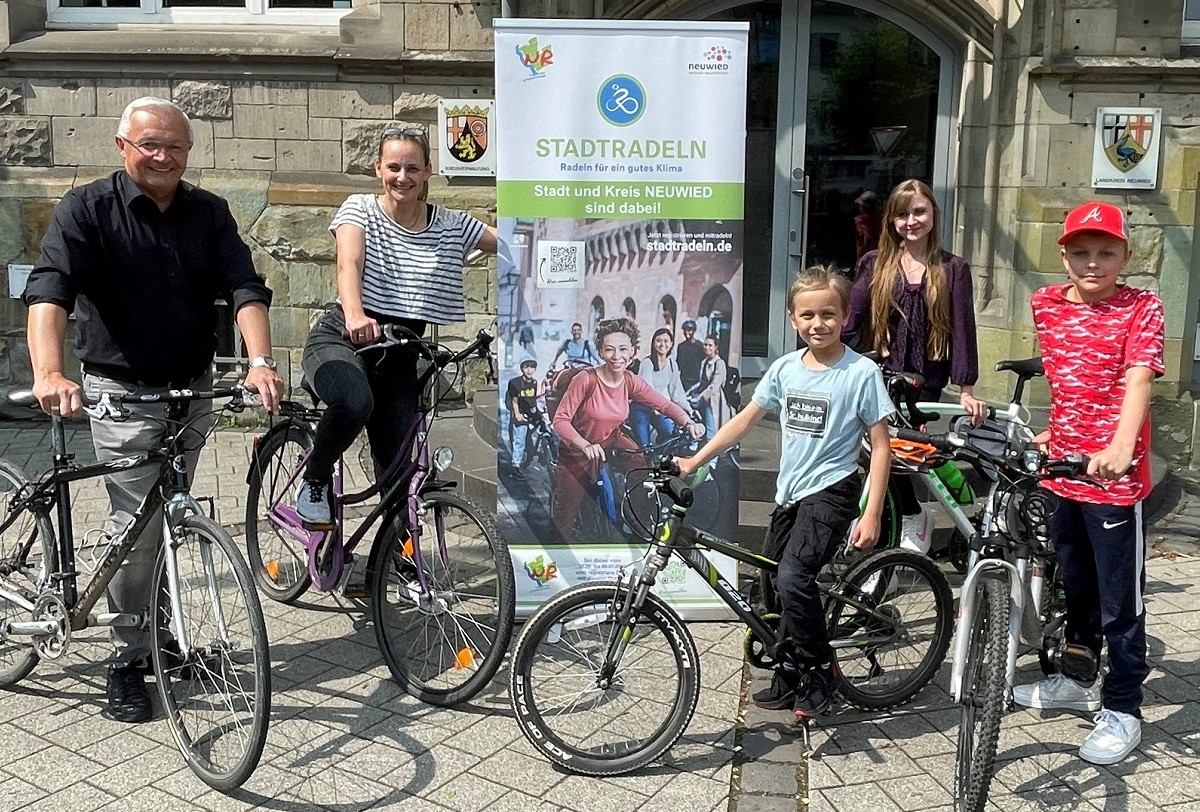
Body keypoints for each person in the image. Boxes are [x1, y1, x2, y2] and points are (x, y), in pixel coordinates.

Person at [23, 97, 283, 724]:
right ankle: (124, 658)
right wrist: (49, 372)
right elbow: (50, 289)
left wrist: (258, 361)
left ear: (188, 152)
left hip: (190, 388)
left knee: (171, 514)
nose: (163, 156)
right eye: (150, 145)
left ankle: (159, 639)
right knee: (135, 527)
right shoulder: (87, 208)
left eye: (175, 146)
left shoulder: (209, 212)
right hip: (121, 388)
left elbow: (244, 287)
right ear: (123, 146)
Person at [678, 265, 893, 719]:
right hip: (790, 492)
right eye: (808, 315)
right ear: (794, 320)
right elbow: (744, 421)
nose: (819, 324)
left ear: (845, 315)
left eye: (829, 314)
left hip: (833, 491)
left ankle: (819, 668)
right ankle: (791, 670)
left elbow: (879, 448)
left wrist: (871, 510)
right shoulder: (785, 369)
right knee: (772, 583)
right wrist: (695, 460)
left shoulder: (861, 373)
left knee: (795, 577)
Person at [1013, 201, 1164, 766]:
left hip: (1114, 480)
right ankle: (1077, 681)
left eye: (1106, 252)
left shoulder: (1142, 307)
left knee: (1118, 598)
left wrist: (1122, 446)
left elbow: (1137, 378)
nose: (1093, 263)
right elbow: (1075, 381)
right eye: (1081, 252)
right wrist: (1057, 430)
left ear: (1126, 255)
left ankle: (1123, 706)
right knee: (1073, 583)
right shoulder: (1046, 304)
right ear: (1064, 254)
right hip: (1063, 471)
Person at [295, 126, 499, 525]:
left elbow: (510, 240)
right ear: (378, 169)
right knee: (356, 402)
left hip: (401, 351)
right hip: (346, 336)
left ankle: (400, 568)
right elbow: (348, 263)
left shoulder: (450, 223)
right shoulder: (359, 209)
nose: (402, 177)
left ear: (427, 172)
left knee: (397, 472)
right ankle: (315, 477)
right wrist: (355, 313)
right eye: (393, 167)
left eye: (412, 168)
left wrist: (564, 228)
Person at [842, 178, 986, 553]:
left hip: (926, 378)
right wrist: (820, 353)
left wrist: (966, 388)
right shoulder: (875, 264)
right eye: (903, 214)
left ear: (933, 216)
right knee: (881, 447)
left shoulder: (953, 268)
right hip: (883, 375)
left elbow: (962, 328)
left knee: (908, 449)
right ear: (891, 220)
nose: (911, 221)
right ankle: (910, 513)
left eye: (919, 212)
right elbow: (851, 319)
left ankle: (920, 514)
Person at [550, 317, 705, 542]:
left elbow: (661, 403)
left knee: (642, 470)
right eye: (610, 349)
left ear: (632, 351)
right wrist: (585, 445)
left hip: (611, 440)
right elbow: (560, 420)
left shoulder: (630, 380)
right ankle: (555, 559)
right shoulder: (586, 379)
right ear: (601, 352)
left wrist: (687, 422)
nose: (617, 356)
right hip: (577, 449)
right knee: (566, 512)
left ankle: (634, 522)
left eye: (623, 349)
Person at [630, 327, 696, 447]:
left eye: (666, 341)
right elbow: (647, 391)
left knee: (669, 432)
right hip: (641, 408)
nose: (662, 344)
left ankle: (659, 458)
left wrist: (689, 409)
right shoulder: (647, 363)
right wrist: (657, 407)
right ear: (654, 343)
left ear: (671, 344)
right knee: (644, 445)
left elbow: (677, 392)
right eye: (659, 341)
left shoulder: (672, 365)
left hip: (658, 408)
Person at [689, 335, 733, 439]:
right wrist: (689, 392)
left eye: (710, 345)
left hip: (712, 401)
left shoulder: (719, 363)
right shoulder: (704, 362)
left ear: (716, 347)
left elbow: (714, 386)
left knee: (711, 431)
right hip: (701, 398)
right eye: (705, 345)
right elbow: (701, 382)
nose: (707, 348)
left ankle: (713, 455)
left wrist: (700, 398)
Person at [506, 357, 544, 471]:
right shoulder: (516, 383)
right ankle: (516, 465)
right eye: (526, 367)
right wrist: (517, 413)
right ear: (522, 368)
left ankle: (545, 454)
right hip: (519, 411)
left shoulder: (534, 382)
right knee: (520, 439)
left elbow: (532, 399)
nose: (529, 370)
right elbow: (514, 400)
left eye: (532, 367)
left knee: (545, 426)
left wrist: (537, 411)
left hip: (529, 410)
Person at [852, 190, 883, 263]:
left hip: (865, 259)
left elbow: (868, 238)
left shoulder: (861, 222)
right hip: (880, 256)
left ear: (862, 208)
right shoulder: (882, 220)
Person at [675, 319, 705, 391]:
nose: (686, 333)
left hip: (696, 380)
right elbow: (678, 363)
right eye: (685, 330)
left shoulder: (699, 346)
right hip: (683, 380)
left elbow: (703, 361)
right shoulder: (681, 346)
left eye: (689, 330)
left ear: (694, 331)